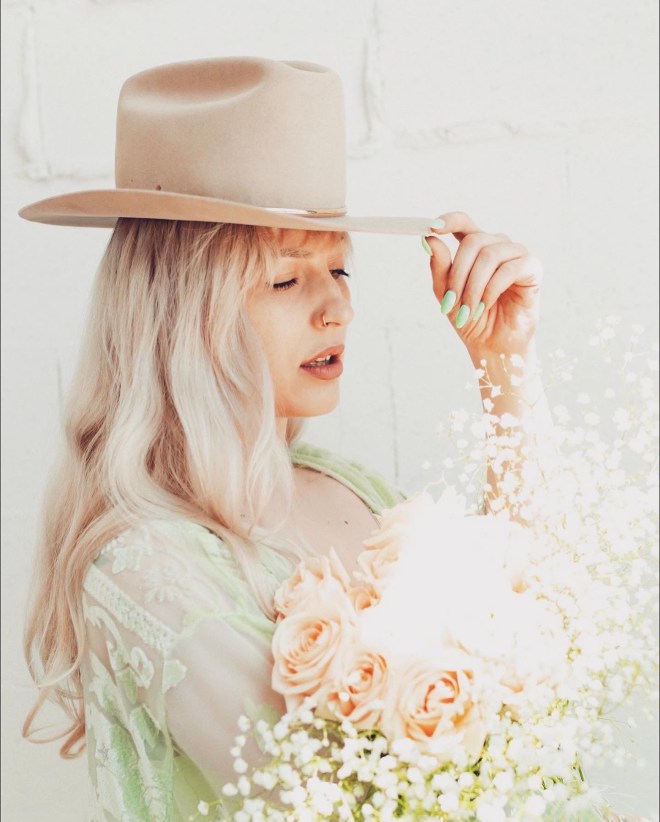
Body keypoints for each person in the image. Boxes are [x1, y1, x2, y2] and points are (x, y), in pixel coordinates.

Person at [19, 57, 614, 822]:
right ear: (179, 314)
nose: (338, 308)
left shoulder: (350, 485)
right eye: (286, 279)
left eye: (340, 270)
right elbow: (345, 802)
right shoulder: (142, 564)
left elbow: (546, 630)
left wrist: (504, 367)